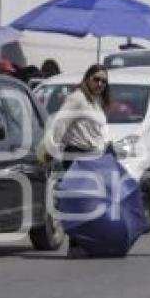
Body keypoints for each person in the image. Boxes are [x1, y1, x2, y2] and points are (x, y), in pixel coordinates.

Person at [42, 64, 110, 258]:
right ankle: (75, 246)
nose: (99, 84)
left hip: (93, 157)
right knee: (79, 204)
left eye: (103, 81)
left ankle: (85, 244)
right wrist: (51, 149)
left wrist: (108, 146)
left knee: (90, 203)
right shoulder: (77, 98)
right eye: (96, 79)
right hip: (77, 156)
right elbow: (59, 124)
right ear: (87, 78)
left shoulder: (94, 101)